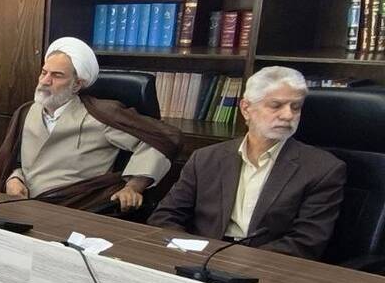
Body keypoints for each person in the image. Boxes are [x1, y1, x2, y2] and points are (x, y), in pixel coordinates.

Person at [148, 66, 346, 260]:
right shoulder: (206, 158)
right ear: (246, 109)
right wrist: (190, 251)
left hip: (269, 265)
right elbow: (165, 216)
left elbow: (306, 242)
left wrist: (237, 260)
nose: (288, 115)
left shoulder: (322, 169)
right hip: (200, 256)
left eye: (296, 107)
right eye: (276, 105)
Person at [0, 37, 181, 211]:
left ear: (77, 84)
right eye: (44, 72)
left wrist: (133, 187)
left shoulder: (100, 116)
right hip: (21, 206)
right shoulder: (26, 112)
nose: (45, 81)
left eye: (57, 75)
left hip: (75, 208)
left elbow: (160, 140)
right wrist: (14, 179)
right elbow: (15, 161)